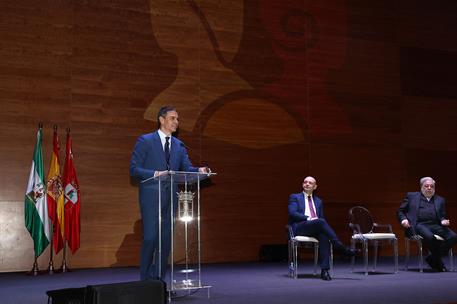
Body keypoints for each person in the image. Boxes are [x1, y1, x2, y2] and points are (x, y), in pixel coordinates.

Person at [130, 106, 209, 281]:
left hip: (171, 197)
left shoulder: (179, 146)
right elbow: (134, 169)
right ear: (162, 119)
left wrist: (200, 170)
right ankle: (144, 281)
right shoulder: (145, 141)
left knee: (165, 242)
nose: (176, 122)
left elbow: (186, 169)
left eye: (177, 119)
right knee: (150, 238)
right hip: (151, 196)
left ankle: (158, 280)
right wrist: (154, 174)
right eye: (173, 118)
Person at [288, 176, 356, 281]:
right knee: (321, 222)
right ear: (302, 185)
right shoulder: (295, 197)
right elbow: (292, 213)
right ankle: (339, 246)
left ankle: (325, 271)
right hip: (300, 227)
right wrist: (309, 218)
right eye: (305, 182)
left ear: (315, 187)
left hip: (314, 228)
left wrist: (316, 221)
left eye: (310, 183)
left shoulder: (319, 201)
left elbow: (321, 219)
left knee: (324, 235)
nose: (307, 184)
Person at [397, 177, 457, 272]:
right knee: (430, 237)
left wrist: (443, 221)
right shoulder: (412, 196)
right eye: (426, 186)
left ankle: (432, 258)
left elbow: (442, 216)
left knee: (453, 236)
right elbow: (400, 211)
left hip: (435, 225)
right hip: (419, 225)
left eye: (431, 186)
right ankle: (437, 261)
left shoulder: (440, 200)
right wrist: (403, 219)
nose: (429, 188)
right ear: (421, 187)